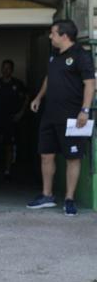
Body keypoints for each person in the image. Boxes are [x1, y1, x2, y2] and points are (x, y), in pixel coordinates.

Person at [27, 20, 95, 216]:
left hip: (73, 117)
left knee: (72, 157)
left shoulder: (81, 56)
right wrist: (39, 97)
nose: (50, 36)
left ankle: (69, 199)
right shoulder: (54, 56)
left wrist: (85, 110)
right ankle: (47, 195)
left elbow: (90, 84)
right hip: (50, 114)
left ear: (64, 36)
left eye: (53, 33)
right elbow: (49, 78)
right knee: (46, 155)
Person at [0, 59, 27, 183]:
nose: (5, 70)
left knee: (9, 146)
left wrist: (21, 113)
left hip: (10, 120)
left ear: (12, 70)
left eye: (8, 68)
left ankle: (7, 171)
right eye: (4, 68)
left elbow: (27, 98)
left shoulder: (18, 84)